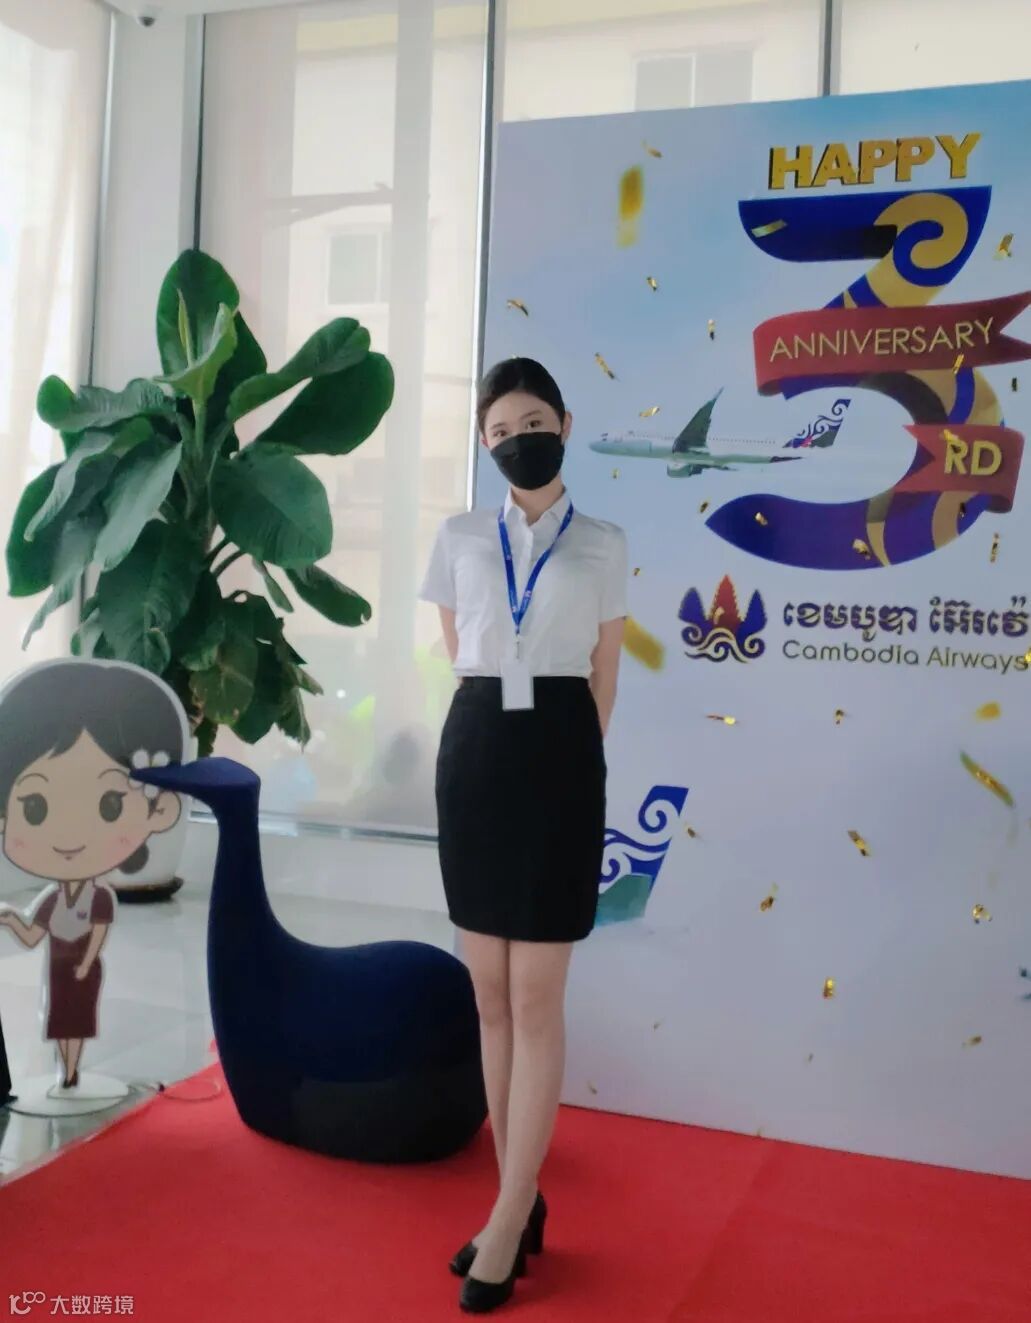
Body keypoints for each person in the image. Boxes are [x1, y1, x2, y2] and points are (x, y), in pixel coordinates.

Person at [419, 357, 627, 1312]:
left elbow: (604, 675)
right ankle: (519, 1195)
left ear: (565, 424)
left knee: (536, 996)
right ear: (483, 442)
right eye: (500, 430)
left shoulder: (604, 542)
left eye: (533, 422)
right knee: (490, 997)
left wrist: (569, 764)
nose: (517, 440)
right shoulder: (460, 534)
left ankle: (504, 1218)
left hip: (559, 757)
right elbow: (456, 644)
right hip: (475, 753)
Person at [0, 661, 185, 1091]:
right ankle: (67, 1076)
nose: (69, 835)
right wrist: (9, 919)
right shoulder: (50, 901)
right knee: (60, 1020)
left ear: (159, 808)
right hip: (59, 968)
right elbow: (32, 935)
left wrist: (85, 962)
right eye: (35, 809)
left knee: (78, 1020)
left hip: (82, 969)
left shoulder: (98, 897)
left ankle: (69, 1074)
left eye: (109, 806)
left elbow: (98, 932)